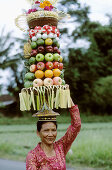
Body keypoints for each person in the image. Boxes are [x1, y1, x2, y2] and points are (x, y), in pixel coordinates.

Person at [26, 99, 81, 170]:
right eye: (46, 130)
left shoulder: (61, 147)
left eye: (53, 130)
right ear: (38, 133)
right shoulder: (33, 156)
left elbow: (76, 125)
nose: (50, 134)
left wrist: (66, 96)